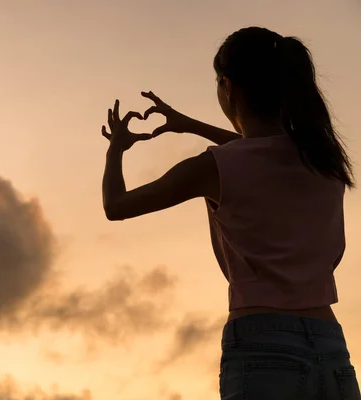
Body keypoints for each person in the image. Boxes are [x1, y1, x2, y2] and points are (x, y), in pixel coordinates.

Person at [100, 26, 360, 399]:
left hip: (261, 342)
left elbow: (116, 206)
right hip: (330, 345)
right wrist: (189, 125)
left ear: (229, 87)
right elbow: (258, 151)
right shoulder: (325, 162)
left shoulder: (213, 168)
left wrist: (116, 150)